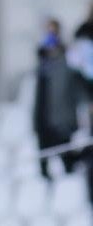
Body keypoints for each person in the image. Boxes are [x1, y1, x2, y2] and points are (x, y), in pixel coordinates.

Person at [33, 18, 84, 180]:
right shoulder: (42, 66)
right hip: (45, 122)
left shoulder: (68, 60)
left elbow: (78, 86)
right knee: (45, 168)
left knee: (69, 165)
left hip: (63, 121)